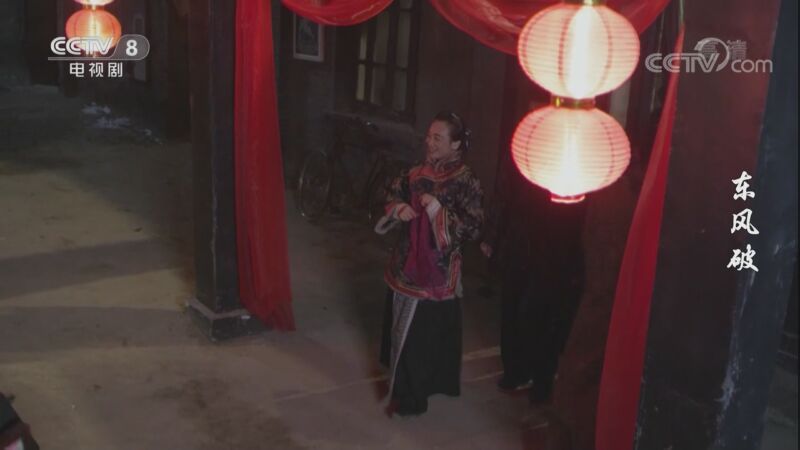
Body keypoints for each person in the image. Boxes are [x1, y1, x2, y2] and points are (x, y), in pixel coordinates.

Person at [375, 111, 484, 417]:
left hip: (437, 274)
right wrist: (398, 209)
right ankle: (403, 392)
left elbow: (474, 226)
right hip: (405, 266)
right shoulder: (415, 173)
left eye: (438, 138)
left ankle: (414, 397)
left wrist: (438, 212)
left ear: (456, 144)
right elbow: (390, 193)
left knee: (422, 341)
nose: (430, 142)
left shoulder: (466, 180)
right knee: (403, 335)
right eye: (429, 136)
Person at [481, 146, 587, 404]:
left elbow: (580, 214)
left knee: (541, 314)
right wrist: (492, 235)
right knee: (513, 307)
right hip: (521, 241)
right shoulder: (524, 148)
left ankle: (541, 380)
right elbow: (503, 193)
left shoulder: (573, 153)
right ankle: (516, 371)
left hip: (555, 247)